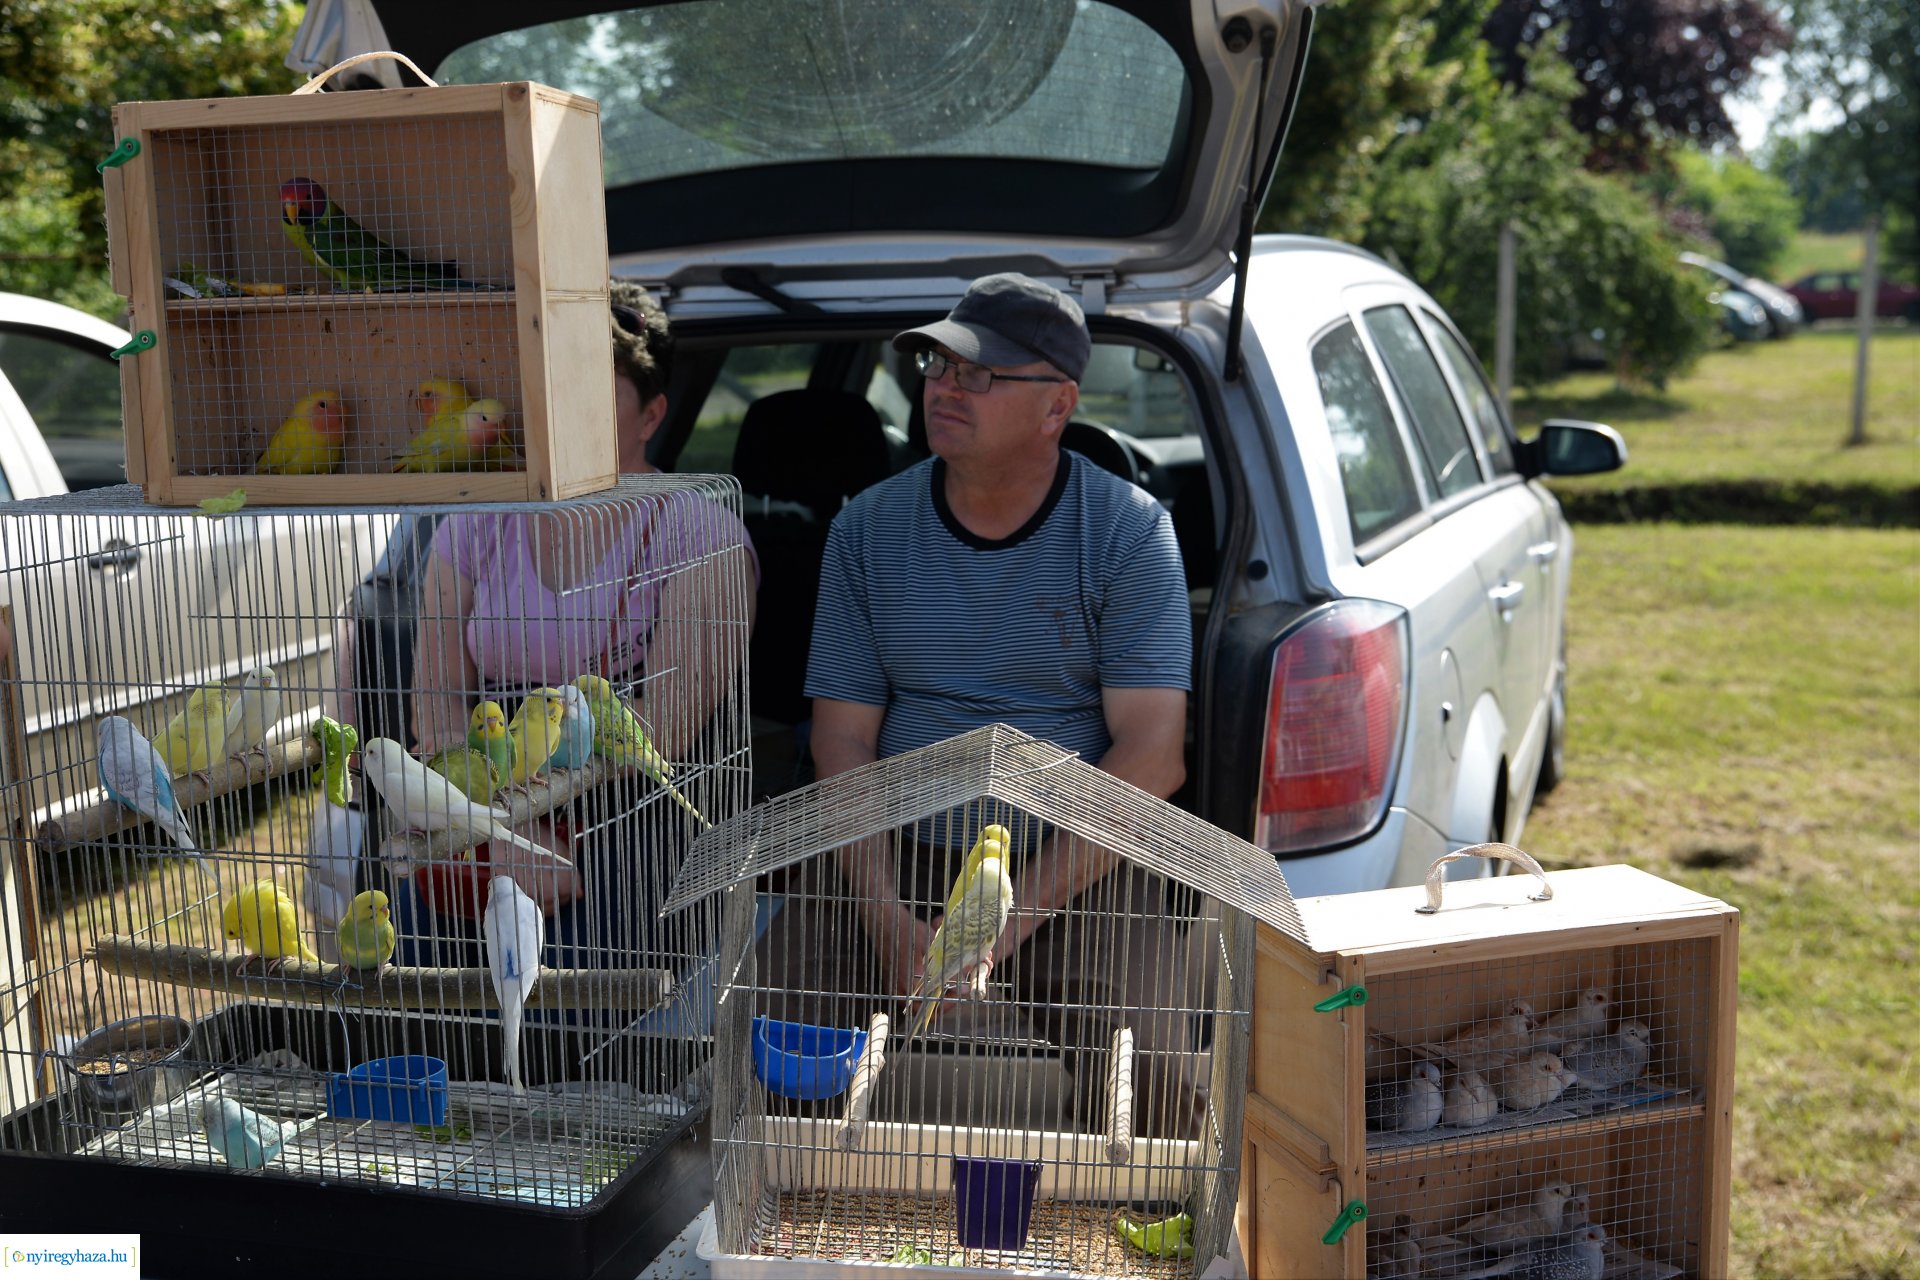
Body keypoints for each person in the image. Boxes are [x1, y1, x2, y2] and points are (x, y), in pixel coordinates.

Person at [769, 272, 1199, 1133]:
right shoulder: (865, 530)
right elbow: (842, 741)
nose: (945, 384)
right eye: (937, 363)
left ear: (1057, 407)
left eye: (981, 372)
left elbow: (1153, 757)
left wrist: (1001, 925)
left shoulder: (1129, 530)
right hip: (895, 849)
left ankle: (1153, 1241)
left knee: (1150, 1081)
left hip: (1068, 865)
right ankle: (786, 1228)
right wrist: (886, 914)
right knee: (773, 1041)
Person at [390, 281, 758, 969]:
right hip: (490, 792)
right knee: (423, 957)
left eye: (588, 389)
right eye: (547, 384)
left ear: (651, 416)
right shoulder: (477, 519)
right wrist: (489, 821)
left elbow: (667, 727)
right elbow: (435, 698)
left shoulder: (702, 533)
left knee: (577, 1004)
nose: (558, 410)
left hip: (628, 803)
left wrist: (537, 819)